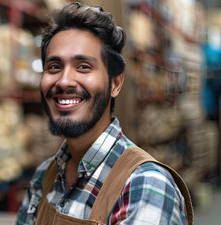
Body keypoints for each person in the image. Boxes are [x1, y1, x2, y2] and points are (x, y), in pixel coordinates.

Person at [16, 2, 193, 225]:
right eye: (54, 67)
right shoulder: (44, 177)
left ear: (115, 83)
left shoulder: (144, 186)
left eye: (83, 66)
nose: (63, 81)